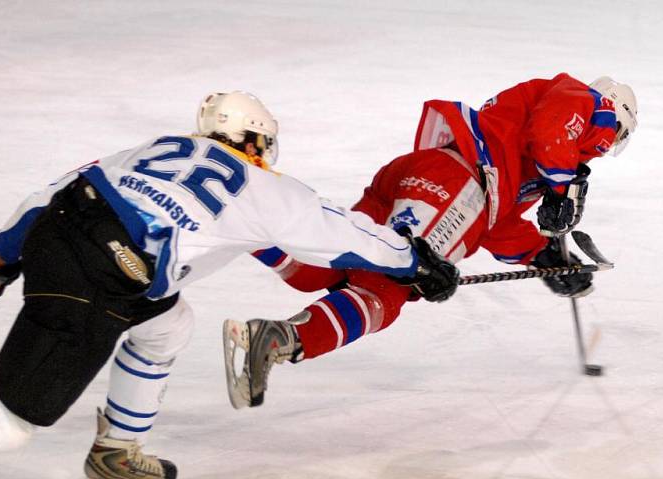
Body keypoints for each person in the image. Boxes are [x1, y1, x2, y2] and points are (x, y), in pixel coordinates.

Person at [0, 91, 459, 479]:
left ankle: (117, 450)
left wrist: (1, 253)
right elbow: (344, 234)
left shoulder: (159, 147)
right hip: (103, 273)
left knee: (168, 325)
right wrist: (415, 261)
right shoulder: (261, 187)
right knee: (15, 423)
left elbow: (59, 190)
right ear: (257, 141)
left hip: (65, 231)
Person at [224, 73, 637, 408]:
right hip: (455, 184)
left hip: (427, 175)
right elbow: (553, 138)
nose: (605, 147)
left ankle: (238, 219)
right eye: (616, 135)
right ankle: (281, 338)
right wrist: (563, 188)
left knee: (330, 269)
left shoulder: (521, 161)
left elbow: (494, 222)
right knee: (388, 289)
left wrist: (542, 255)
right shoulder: (582, 100)